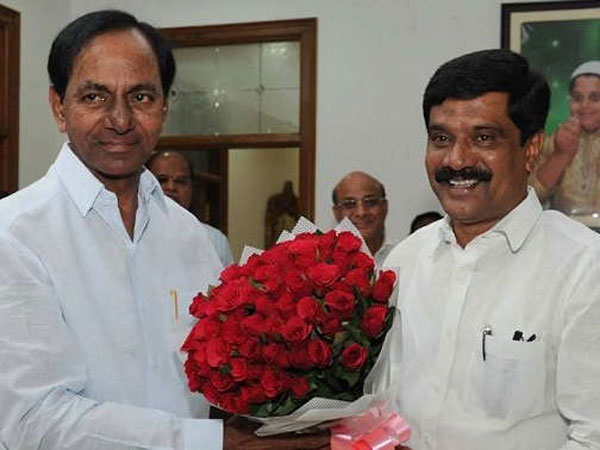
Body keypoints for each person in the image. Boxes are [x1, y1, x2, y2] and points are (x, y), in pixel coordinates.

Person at [0, 10, 327, 450]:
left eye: (141, 97)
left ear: (165, 108)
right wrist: (213, 442)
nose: (120, 120)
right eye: (94, 96)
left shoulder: (192, 237)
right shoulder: (14, 234)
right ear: (59, 107)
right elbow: (34, 421)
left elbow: (217, 382)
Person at [378, 49, 600, 449]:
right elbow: (380, 404)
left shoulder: (583, 267)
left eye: (483, 138)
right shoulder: (404, 261)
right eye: (441, 139)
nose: (456, 160)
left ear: (531, 149)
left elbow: (592, 436)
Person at [531, 61, 600, 225]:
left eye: (594, 98)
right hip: (563, 232)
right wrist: (561, 155)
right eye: (577, 98)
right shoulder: (555, 141)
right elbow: (531, 199)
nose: (584, 106)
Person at [147, 150, 234, 266]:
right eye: (162, 180)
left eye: (180, 181)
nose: (171, 187)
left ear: (192, 189)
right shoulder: (130, 236)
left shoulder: (214, 239)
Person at [332, 171, 395, 265]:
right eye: (349, 204)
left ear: (385, 207)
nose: (361, 213)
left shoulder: (403, 254)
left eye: (370, 202)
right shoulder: (321, 259)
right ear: (337, 212)